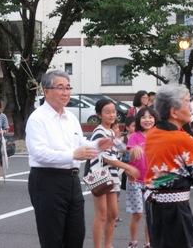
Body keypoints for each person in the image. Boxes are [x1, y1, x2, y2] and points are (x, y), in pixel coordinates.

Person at [26, 70, 113, 248]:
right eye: (60, 88)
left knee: (76, 235)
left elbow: (80, 142)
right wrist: (73, 154)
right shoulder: (37, 118)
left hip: (72, 181)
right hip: (47, 181)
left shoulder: (70, 117)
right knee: (52, 237)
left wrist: (97, 145)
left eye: (68, 88)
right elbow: (38, 153)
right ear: (46, 91)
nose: (66, 93)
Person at [144, 84, 193, 248]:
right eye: (186, 102)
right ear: (174, 112)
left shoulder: (153, 133)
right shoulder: (183, 140)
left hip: (154, 207)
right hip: (175, 211)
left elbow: (180, 127)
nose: (190, 106)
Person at [89, 98, 139, 248]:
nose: (112, 115)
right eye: (107, 112)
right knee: (102, 215)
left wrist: (131, 149)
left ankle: (108, 245)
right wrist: (128, 167)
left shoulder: (110, 131)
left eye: (114, 112)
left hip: (112, 175)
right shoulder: (99, 132)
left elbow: (120, 146)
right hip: (99, 175)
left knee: (113, 214)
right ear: (99, 114)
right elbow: (107, 158)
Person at [126, 107, 158, 248]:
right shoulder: (134, 136)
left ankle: (148, 243)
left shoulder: (158, 135)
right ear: (139, 120)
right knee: (138, 213)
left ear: (155, 119)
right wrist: (135, 150)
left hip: (153, 181)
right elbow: (129, 156)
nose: (147, 120)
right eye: (144, 117)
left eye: (150, 117)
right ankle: (133, 242)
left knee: (150, 215)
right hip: (135, 181)